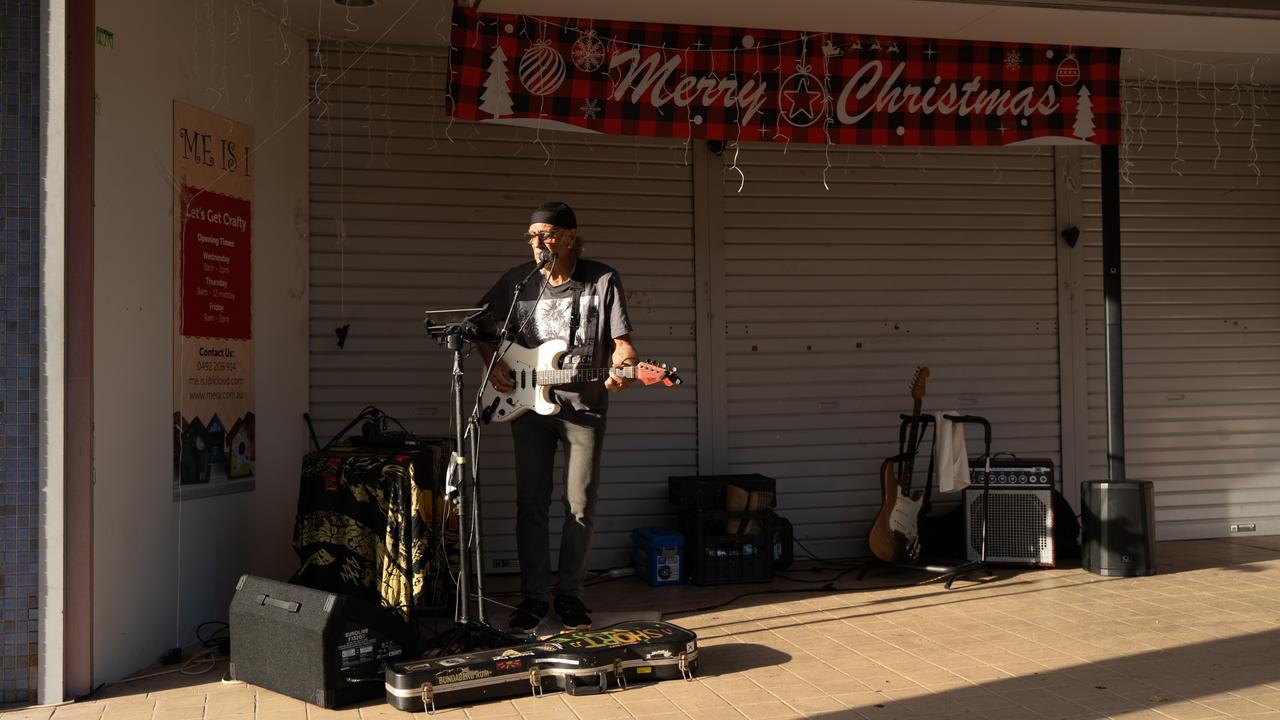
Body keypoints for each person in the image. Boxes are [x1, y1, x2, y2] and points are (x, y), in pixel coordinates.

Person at [477, 201, 637, 633]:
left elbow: (622, 346)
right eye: (532, 236)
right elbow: (480, 328)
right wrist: (494, 364)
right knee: (530, 504)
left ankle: (569, 595)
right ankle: (533, 597)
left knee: (579, 505)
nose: (538, 243)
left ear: (570, 237)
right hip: (529, 407)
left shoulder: (601, 280)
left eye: (547, 234)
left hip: (583, 408)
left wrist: (624, 368)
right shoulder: (517, 282)